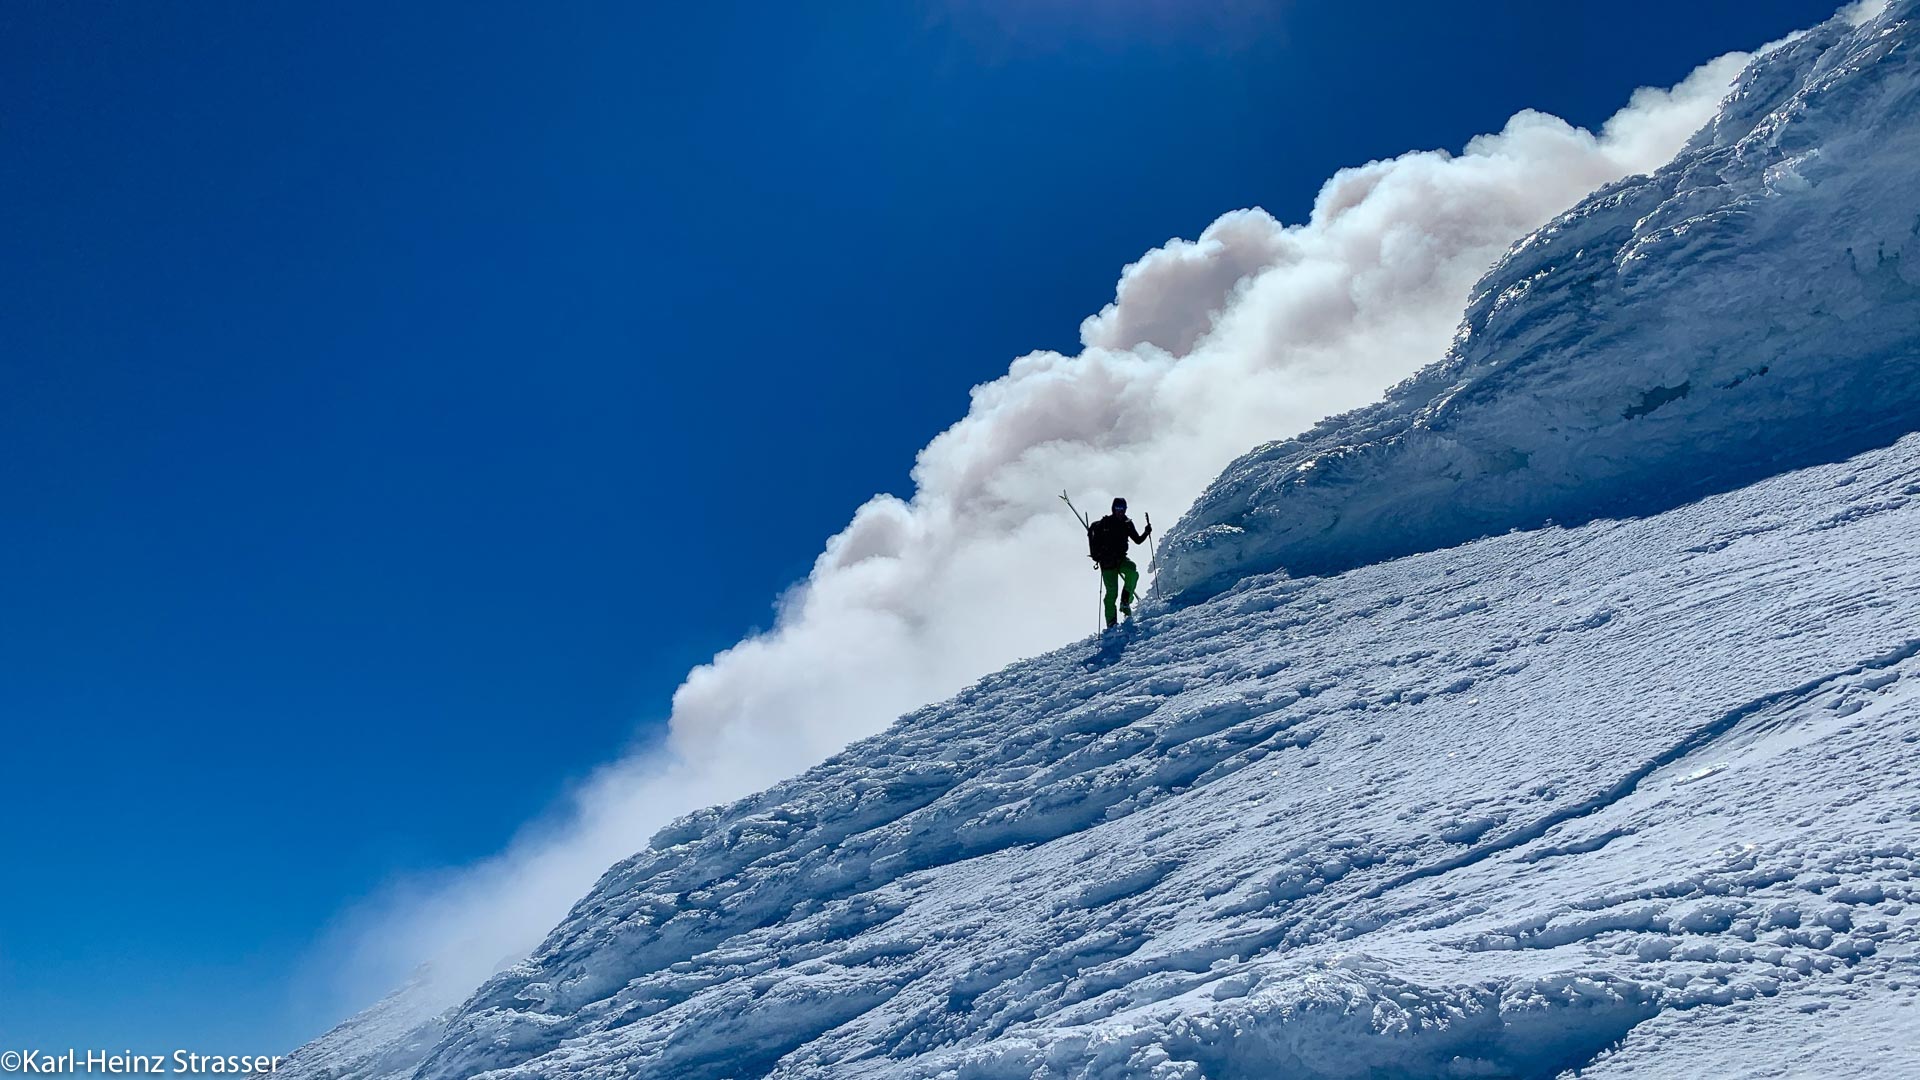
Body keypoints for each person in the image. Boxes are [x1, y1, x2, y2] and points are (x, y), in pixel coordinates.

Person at [1087, 497, 1151, 628]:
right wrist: (1098, 556)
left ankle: (1125, 601)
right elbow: (1095, 545)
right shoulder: (1104, 524)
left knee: (1132, 571)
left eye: (1122, 509)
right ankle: (1111, 622)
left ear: (1125, 509)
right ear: (1113, 509)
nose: (1120, 511)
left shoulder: (1127, 523)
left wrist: (1146, 532)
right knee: (1112, 592)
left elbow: (1137, 540)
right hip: (1107, 563)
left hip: (1120, 559)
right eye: (1117, 508)